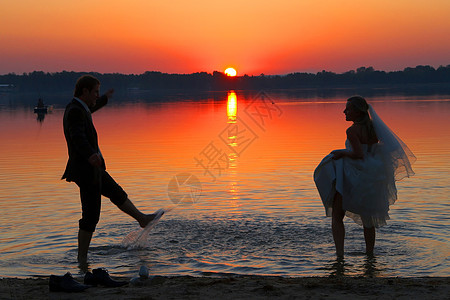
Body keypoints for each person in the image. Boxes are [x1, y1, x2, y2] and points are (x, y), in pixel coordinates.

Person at [62, 75, 162, 265]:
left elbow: (91, 108)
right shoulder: (75, 111)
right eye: (95, 92)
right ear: (85, 91)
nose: (96, 96)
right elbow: (77, 137)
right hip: (86, 170)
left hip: (93, 168)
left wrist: (105, 99)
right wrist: (91, 154)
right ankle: (82, 259)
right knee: (91, 216)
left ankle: (142, 219)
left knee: (116, 192)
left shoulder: (79, 107)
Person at [314, 96, 415, 258]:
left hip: (353, 173)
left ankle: (340, 255)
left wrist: (339, 152)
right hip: (372, 173)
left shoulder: (352, 130)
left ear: (358, 112)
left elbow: (358, 154)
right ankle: (370, 255)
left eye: (348, 109)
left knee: (337, 215)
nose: (344, 111)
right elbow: (381, 147)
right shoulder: (373, 127)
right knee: (368, 219)